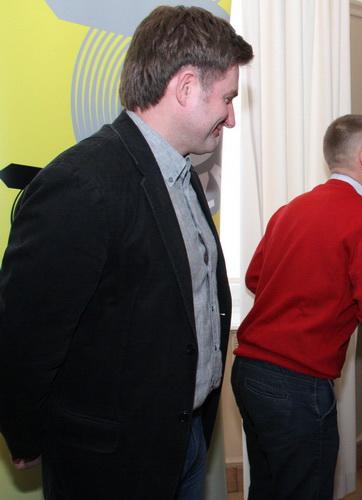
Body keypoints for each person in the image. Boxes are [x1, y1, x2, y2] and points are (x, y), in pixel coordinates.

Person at [0, 6, 253, 500]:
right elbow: (24, 333)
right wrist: (24, 431)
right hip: (112, 465)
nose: (231, 117)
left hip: (183, 440)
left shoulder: (182, 174)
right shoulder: (82, 184)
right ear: (185, 87)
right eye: (227, 98)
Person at [231, 114, 362, 499]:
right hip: (297, 382)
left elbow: (256, 278)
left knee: (267, 487)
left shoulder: (291, 209)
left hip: (249, 372)